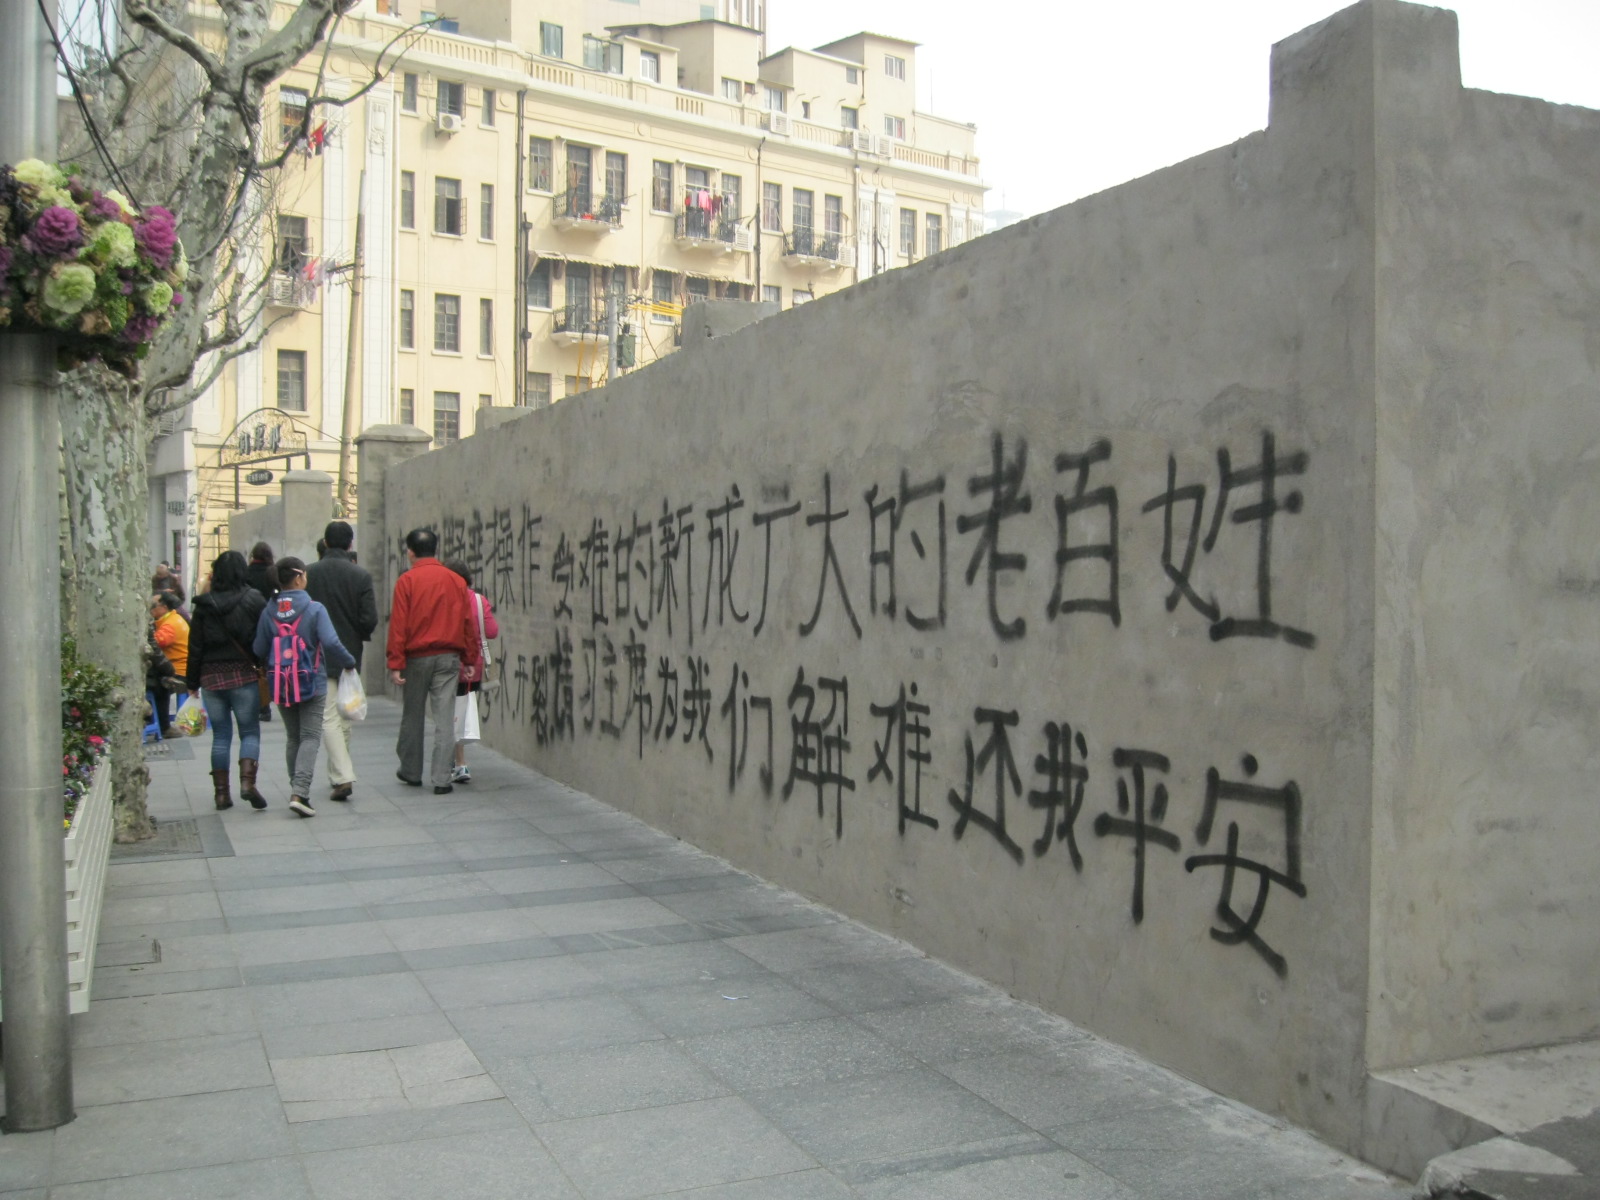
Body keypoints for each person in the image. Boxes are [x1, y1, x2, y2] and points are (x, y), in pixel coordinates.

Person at [252, 557, 356, 818]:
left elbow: (259, 648)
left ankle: (296, 788)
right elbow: (330, 642)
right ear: (299, 578)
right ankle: (300, 793)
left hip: (281, 682)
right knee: (310, 736)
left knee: (293, 737)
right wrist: (349, 662)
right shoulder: (314, 608)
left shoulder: (269, 610)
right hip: (312, 681)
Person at [386, 528, 478, 795]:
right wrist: (469, 658)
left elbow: (398, 625)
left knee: (413, 715)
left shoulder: (407, 581)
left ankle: (411, 771)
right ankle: (441, 779)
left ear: (410, 552)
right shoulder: (456, 581)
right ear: (435, 549)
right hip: (449, 657)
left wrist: (395, 662)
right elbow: (467, 622)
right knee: (444, 717)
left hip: (416, 658)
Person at [185, 550, 268, 810]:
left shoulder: (203, 605)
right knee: (249, 731)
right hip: (244, 674)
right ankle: (248, 783)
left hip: (211, 677)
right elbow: (264, 636)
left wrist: (191, 682)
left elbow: (195, 646)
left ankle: (221, 794)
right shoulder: (254, 599)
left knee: (221, 735)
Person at [305, 520, 378, 802]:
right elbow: (369, 619)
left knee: (329, 717)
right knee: (344, 714)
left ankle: (341, 775)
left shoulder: (310, 574)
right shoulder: (360, 575)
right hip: (350, 652)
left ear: (325, 542)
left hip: (319, 653)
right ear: (350, 544)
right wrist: (355, 633)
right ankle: (340, 774)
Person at [445, 560, 498, 784]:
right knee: (460, 712)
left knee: (450, 714)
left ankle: (458, 763)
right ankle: (457, 761)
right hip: (472, 669)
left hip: (447, 666)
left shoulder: (445, 601)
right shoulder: (478, 600)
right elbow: (492, 631)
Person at [245, 543, 278, 722]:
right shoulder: (272, 573)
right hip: (271, 621)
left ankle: (258, 704)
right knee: (267, 665)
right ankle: (267, 703)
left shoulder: (246, 573)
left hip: (250, 623)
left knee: (254, 666)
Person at [150, 591, 189, 736]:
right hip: (177, 667)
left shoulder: (170, 625)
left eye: (153, 605)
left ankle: (164, 726)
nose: (150, 608)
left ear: (164, 607)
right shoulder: (173, 618)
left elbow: (156, 643)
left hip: (178, 670)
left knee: (158, 686)